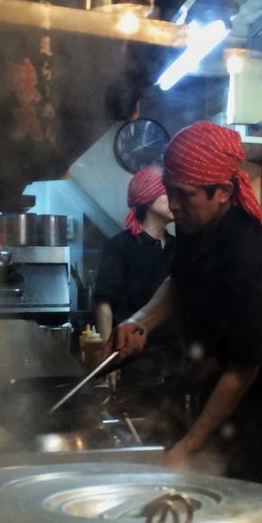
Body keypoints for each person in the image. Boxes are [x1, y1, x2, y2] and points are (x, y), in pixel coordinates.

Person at [107, 121, 262, 484]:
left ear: (223, 191)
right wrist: (141, 320)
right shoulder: (198, 220)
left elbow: (242, 370)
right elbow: (181, 279)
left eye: (184, 195)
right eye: (169, 192)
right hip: (207, 391)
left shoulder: (253, 256)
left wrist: (187, 447)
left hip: (254, 418)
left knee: (238, 522)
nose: (174, 206)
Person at [93, 166, 178, 395]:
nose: (175, 200)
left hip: (172, 359)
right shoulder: (120, 246)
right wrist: (108, 360)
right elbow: (104, 304)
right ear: (148, 199)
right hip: (131, 358)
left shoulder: (178, 247)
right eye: (167, 193)